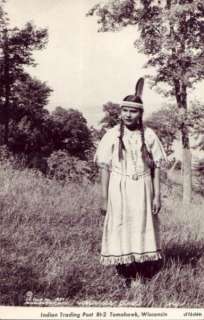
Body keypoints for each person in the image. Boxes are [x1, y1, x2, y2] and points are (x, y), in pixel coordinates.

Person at [94, 78, 166, 286]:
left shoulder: (149, 135)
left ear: (140, 114)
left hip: (142, 189)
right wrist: (104, 198)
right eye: (125, 110)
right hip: (119, 187)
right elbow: (105, 168)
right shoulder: (112, 135)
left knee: (141, 226)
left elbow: (157, 167)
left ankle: (142, 273)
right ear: (120, 112)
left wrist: (157, 195)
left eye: (133, 111)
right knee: (121, 225)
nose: (128, 115)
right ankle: (126, 273)